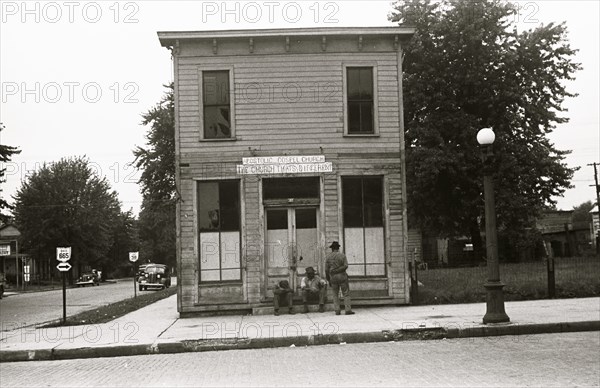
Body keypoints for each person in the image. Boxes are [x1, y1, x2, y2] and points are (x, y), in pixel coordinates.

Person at [325, 241, 354, 315]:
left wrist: (328, 279)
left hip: (333, 277)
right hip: (342, 276)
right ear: (338, 248)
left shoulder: (328, 257)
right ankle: (348, 310)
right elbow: (345, 266)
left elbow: (326, 270)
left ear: (332, 248)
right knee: (346, 293)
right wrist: (338, 270)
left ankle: (337, 310)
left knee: (335, 294)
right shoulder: (342, 255)